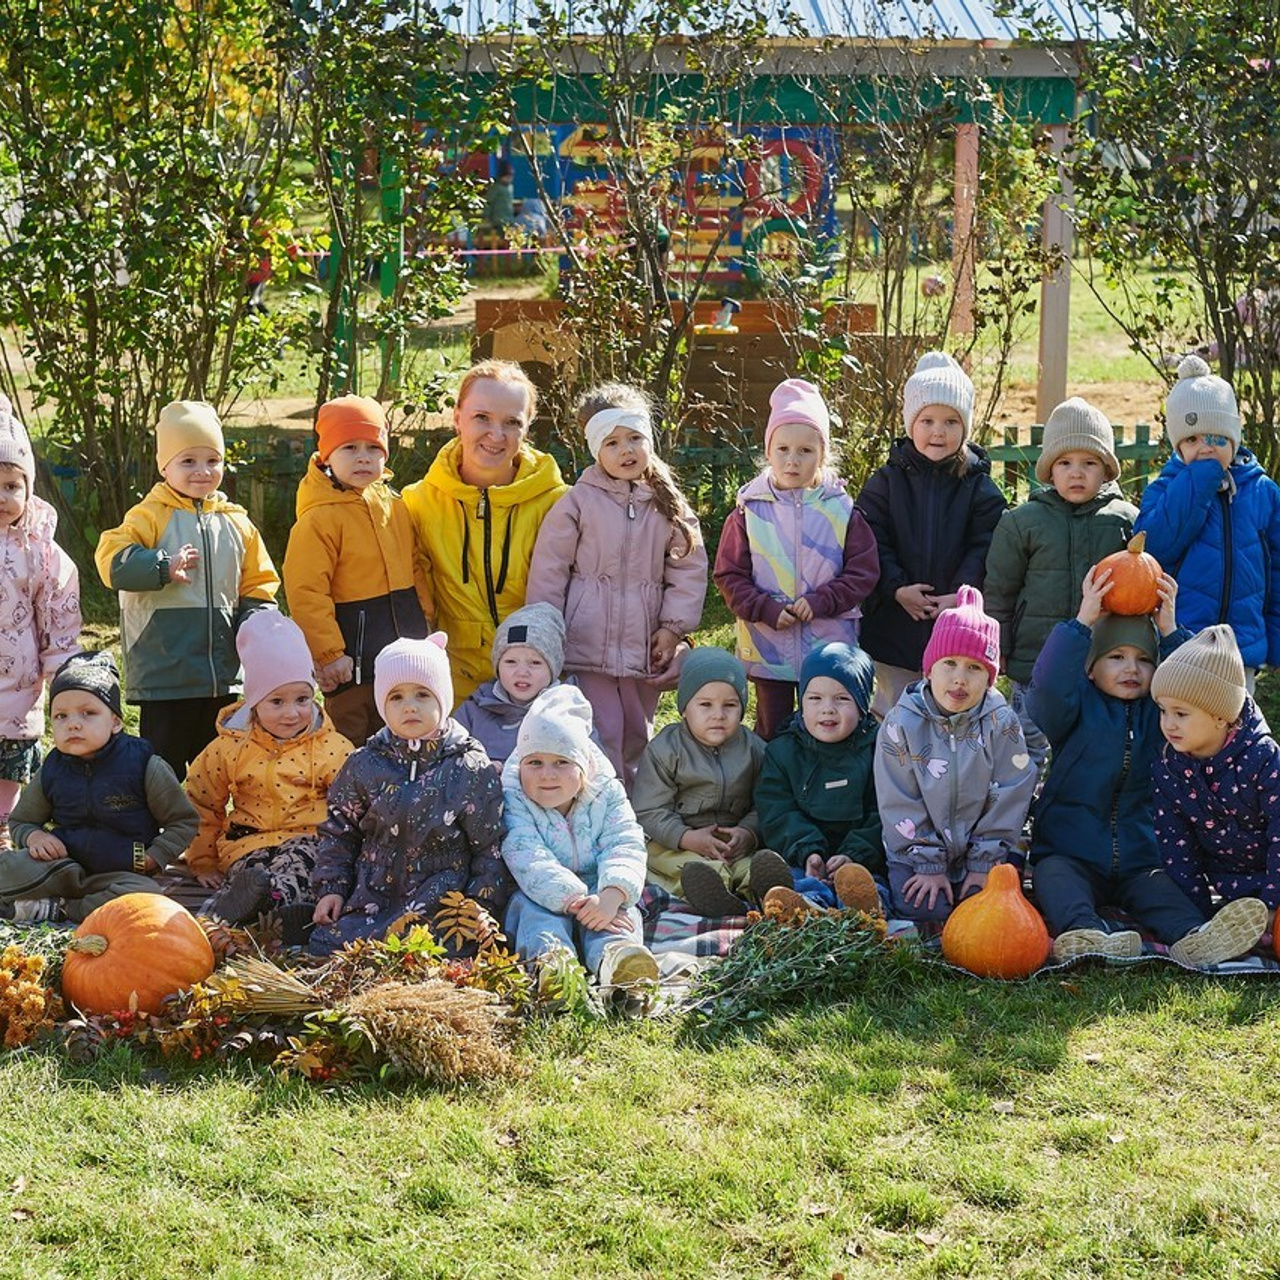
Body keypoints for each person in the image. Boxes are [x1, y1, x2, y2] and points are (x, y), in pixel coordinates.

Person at [1022, 566, 1243, 964]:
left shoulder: (1162, 718)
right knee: (1053, 878)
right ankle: (1085, 933)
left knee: (1162, 893)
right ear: (1090, 668)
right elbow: (1046, 689)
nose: (1131, 668)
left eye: (1144, 659)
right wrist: (1083, 622)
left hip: (1141, 858)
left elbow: (1189, 689)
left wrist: (1170, 631)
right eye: (1116, 657)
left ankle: (1196, 937)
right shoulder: (1072, 710)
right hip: (1070, 851)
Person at [526, 383, 707, 785]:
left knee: (638, 730)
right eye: (612, 443)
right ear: (596, 450)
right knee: (601, 729)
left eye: (635, 438)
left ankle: (638, 802)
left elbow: (687, 569)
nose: (626, 450)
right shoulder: (577, 502)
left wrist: (672, 628)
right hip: (586, 643)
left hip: (645, 643)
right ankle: (603, 799)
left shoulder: (668, 504)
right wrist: (546, 633)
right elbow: (550, 569)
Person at [94, 400, 280, 776]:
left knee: (217, 770)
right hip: (165, 673)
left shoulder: (238, 524)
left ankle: (207, 816)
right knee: (161, 768)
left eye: (213, 460)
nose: (202, 471)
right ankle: (161, 815)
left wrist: (257, 626)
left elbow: (260, 584)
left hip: (220, 676)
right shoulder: (149, 515)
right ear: (165, 467)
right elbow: (110, 560)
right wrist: (161, 565)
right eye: (188, 461)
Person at [309, 634, 511, 955]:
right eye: (396, 697)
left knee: (443, 953)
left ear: (443, 698)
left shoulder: (468, 766)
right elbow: (339, 833)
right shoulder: (365, 764)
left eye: (422, 694)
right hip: (372, 896)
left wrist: (479, 904)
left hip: (442, 901)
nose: (410, 706)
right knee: (332, 947)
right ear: (382, 704)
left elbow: (489, 846)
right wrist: (331, 888)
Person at [714, 378, 879, 740]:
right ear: (768, 451)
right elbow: (729, 575)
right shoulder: (749, 511)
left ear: (823, 453)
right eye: (783, 448)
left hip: (829, 644)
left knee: (829, 727)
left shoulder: (842, 511)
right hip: (768, 643)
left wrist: (822, 601)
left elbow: (863, 572)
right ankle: (772, 777)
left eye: (805, 450)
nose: (792, 459)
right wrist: (765, 609)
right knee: (772, 730)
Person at [401, 360, 569, 707]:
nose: (496, 435)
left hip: (534, 686)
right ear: (457, 417)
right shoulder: (416, 502)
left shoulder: (560, 504)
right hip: (450, 689)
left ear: (527, 426)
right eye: (482, 417)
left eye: (512, 422)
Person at [984, 397, 1138, 768]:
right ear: (1050, 470)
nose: (1076, 473)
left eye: (1089, 463)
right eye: (1065, 463)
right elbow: (1000, 591)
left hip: (1099, 660)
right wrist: (999, 645)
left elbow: (1139, 590)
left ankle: (1081, 801)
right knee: (1026, 748)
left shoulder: (1125, 521)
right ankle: (1019, 802)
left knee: (1093, 749)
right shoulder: (1022, 522)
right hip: (1034, 659)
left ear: (1107, 470)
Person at [855, 352, 1006, 719]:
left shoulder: (980, 488)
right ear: (911, 424)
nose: (938, 431)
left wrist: (961, 594)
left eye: (951, 421)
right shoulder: (886, 483)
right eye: (927, 421)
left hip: (957, 623)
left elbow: (986, 545)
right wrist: (895, 588)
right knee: (894, 708)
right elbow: (869, 539)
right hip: (895, 622)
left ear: (965, 428)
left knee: (953, 705)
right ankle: (891, 753)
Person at [183, 611, 354, 933]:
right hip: (247, 840)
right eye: (276, 701)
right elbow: (201, 800)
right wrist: (203, 861)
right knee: (253, 870)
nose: (292, 713)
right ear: (254, 703)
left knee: (300, 864)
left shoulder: (332, 747)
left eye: (302, 699)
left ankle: (273, 908)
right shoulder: (230, 746)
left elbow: (352, 805)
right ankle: (265, 905)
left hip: (308, 836)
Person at [877, 586, 1037, 923]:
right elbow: (898, 799)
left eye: (975, 668)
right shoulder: (900, 723)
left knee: (986, 918)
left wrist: (984, 863)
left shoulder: (1002, 723)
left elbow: (1012, 790)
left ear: (990, 679)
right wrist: (928, 865)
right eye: (949, 663)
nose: (959, 679)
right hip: (916, 853)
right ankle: (877, 893)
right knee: (925, 909)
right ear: (929, 669)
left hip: (984, 853)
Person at [0, 652, 198, 923]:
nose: (73, 724)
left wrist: (154, 857)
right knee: (6, 869)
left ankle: (62, 909)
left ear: (115, 722)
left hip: (122, 872)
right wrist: (35, 838)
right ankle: (40, 902)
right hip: (61, 866)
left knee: (145, 896)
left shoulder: (144, 765)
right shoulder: (52, 769)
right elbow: (22, 821)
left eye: (88, 713)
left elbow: (183, 821)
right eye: (61, 716)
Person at [283, 394, 432, 746]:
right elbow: (306, 591)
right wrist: (329, 654)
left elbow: (416, 566)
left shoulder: (394, 505)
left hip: (402, 649)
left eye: (373, 447)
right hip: (352, 658)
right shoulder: (319, 518)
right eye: (349, 447)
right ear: (326, 456)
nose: (363, 457)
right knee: (349, 737)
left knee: (403, 730)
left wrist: (425, 618)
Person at [1134, 355, 1280, 693]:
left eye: (1217, 438)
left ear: (1234, 440)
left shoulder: (1263, 492)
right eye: (1192, 440)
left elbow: (1276, 570)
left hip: (1241, 649)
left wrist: (1275, 639)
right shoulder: (1165, 489)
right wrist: (1200, 480)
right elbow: (1156, 547)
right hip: (1182, 642)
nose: (1205, 449)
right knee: (1183, 717)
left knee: (1235, 721)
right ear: (1178, 446)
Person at [501, 685, 659, 987]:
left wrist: (613, 894)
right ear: (520, 764)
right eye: (535, 762)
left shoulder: (606, 793)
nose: (547, 774)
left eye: (562, 762)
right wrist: (573, 899)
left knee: (621, 915)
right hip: (540, 888)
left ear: (583, 765)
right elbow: (525, 854)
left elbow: (624, 840)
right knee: (532, 913)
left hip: (599, 885)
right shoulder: (514, 798)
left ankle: (619, 961)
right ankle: (552, 965)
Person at [1149, 624, 1275, 965]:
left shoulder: (1264, 760)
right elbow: (1177, 848)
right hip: (1229, 890)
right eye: (1163, 710)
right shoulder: (1169, 767)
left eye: (1181, 714)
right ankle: (1205, 935)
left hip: (1273, 880)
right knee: (1156, 884)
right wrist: (1199, 915)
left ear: (1221, 717)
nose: (1168, 723)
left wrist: (1271, 904)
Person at [633, 647, 788, 918]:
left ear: (743, 708)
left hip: (732, 844)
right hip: (676, 843)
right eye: (705, 705)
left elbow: (767, 802)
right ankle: (713, 892)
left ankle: (764, 890)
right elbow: (649, 810)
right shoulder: (665, 750)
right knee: (672, 864)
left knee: (750, 865)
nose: (718, 714)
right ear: (684, 708)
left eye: (730, 705)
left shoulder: (755, 750)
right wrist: (686, 838)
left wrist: (748, 833)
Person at [0, 396, 81, 848]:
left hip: (19, 679)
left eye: (12, 485)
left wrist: (61, 669)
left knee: (9, 759)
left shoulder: (40, 550)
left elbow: (58, 612)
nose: (3, 497)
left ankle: (4, 828)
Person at [754, 641, 887, 916]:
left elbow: (885, 813)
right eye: (815, 698)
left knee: (868, 883)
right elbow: (777, 810)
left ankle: (865, 911)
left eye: (842, 699)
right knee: (796, 882)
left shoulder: (880, 751)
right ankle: (807, 909)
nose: (827, 709)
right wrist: (808, 851)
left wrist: (854, 855)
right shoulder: (783, 751)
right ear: (801, 702)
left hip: (862, 858)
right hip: (803, 857)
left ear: (862, 705)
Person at [455, 602, 568, 769]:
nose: (522, 672)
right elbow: (446, 761)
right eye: (510, 662)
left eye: (535, 663)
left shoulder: (567, 712)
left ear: (553, 669)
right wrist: (478, 771)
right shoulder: (473, 711)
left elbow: (594, 769)